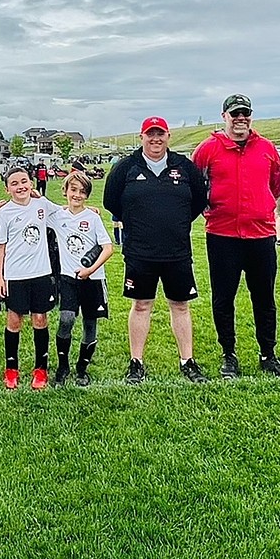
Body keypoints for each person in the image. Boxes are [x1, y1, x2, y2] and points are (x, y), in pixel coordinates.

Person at [192, 95, 280, 379]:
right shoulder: (208, 149)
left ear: (251, 116)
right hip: (222, 236)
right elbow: (196, 186)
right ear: (224, 115)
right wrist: (216, 211)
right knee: (224, 298)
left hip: (261, 235)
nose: (241, 118)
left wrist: (257, 210)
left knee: (264, 297)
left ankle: (268, 354)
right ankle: (229, 354)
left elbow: (275, 185)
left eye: (245, 113)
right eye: (235, 113)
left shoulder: (267, 149)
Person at [103, 117, 210, 385]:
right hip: (140, 252)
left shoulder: (184, 167)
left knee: (180, 305)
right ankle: (136, 362)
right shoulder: (126, 168)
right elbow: (110, 201)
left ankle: (187, 360)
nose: (155, 139)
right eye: (150, 134)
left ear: (168, 136)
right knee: (141, 305)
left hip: (177, 251)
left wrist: (177, 222)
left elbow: (199, 200)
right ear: (142, 137)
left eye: (160, 134)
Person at [0, 164, 58, 390]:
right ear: (6, 189)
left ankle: (41, 369)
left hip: (41, 274)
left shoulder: (42, 204)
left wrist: (91, 211)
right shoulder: (3, 212)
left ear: (31, 183)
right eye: (14, 183)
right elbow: (0, 246)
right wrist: (0, 277)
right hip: (15, 275)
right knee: (14, 321)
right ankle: (11, 369)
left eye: (24, 182)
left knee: (40, 319)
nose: (20, 186)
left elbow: (66, 213)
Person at [50, 170, 112, 387]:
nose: (77, 195)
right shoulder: (57, 216)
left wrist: (91, 269)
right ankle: (62, 365)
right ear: (65, 191)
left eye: (82, 191)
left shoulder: (93, 218)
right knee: (66, 319)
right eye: (73, 190)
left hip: (93, 280)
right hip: (68, 279)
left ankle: (82, 369)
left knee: (90, 324)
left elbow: (107, 248)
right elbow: (34, 205)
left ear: (87, 195)